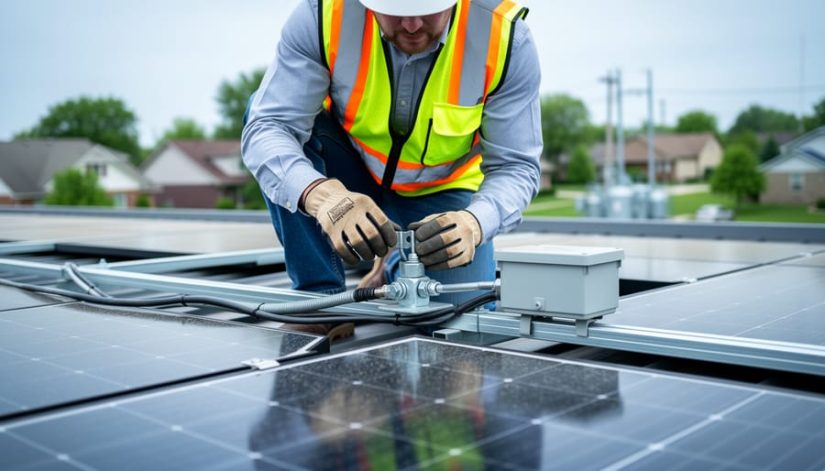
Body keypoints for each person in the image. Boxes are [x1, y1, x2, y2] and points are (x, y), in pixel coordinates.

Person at [242, 0, 542, 338]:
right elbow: (270, 126)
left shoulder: (503, 38)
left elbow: (517, 166)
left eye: (427, 10)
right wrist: (322, 198)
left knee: (455, 313)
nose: (411, 25)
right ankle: (321, 298)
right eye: (396, 12)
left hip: (440, 195)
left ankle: (395, 264)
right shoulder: (324, 15)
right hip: (350, 172)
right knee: (260, 106)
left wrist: (475, 223)